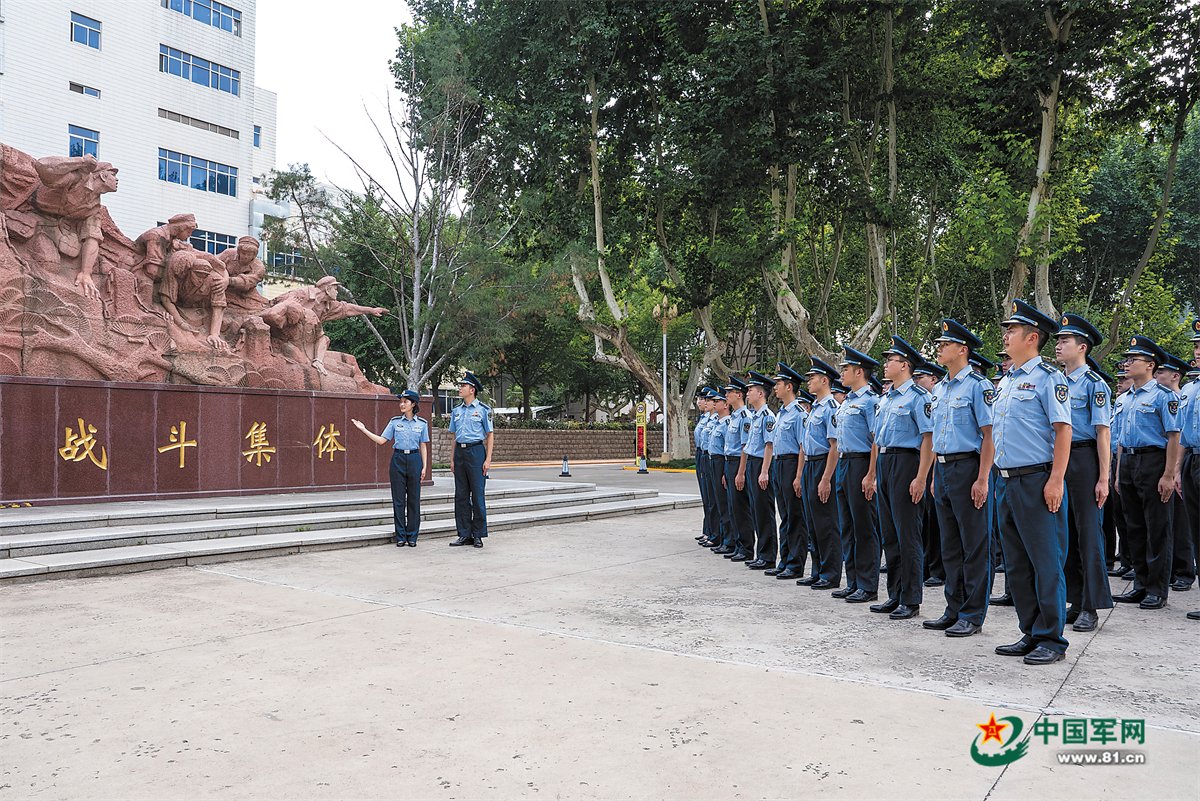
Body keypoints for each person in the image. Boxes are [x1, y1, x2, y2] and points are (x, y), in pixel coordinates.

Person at [991, 299, 1072, 665]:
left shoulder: (1049, 378)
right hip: (1006, 481)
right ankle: (1031, 630)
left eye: (1012, 330)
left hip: (1038, 480)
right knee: (1017, 562)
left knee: (1045, 560)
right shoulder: (1006, 381)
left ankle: (1052, 639)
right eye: (1006, 329)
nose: (1006, 335)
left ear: (1032, 337)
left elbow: (1063, 430)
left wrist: (1056, 480)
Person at [924, 319, 995, 638]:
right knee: (949, 544)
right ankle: (953, 608)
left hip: (969, 466)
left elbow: (989, 436)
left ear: (962, 350)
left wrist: (982, 479)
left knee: (974, 544)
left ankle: (972, 613)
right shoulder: (939, 389)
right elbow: (937, 435)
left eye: (944, 344)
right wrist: (935, 474)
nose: (939, 348)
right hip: (944, 467)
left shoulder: (979, 386)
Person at [864, 336, 934, 620]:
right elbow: (877, 441)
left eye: (890, 360)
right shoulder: (886, 399)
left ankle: (911, 598)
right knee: (890, 534)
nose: (885, 365)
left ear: (904, 365)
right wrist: (872, 473)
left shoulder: (919, 398)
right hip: (886, 462)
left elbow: (928, 439)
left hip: (908, 462)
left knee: (908, 534)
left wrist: (920, 477)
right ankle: (894, 594)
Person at [1053, 314, 1113, 633]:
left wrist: (1103, 478)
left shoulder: (1094, 385)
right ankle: (1075, 601)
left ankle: (1091, 605)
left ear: (1082, 347)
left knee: (1088, 533)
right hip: (1058, 461)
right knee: (1066, 534)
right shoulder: (1055, 382)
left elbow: (1103, 433)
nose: (1059, 345)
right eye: (1059, 340)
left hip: (1085, 458)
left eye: (1065, 341)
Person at [1113, 336, 1182, 609]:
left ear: (1150, 365)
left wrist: (1168, 475)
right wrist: (1119, 473)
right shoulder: (1125, 398)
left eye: (1134, 360)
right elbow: (1120, 440)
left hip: (1154, 462)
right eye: (1127, 359)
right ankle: (1140, 584)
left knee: (1157, 527)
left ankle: (1157, 589)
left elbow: (1174, 436)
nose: (1127, 364)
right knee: (1134, 527)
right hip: (1128, 462)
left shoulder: (1163, 396)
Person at [351, 389, 430, 546]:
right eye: (401, 401)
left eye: (405, 401)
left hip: (414, 459)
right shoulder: (395, 422)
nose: (402, 404)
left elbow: (423, 446)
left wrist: (424, 467)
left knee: (414, 500)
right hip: (398, 459)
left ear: (413, 404)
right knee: (398, 500)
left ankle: (412, 536)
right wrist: (363, 429)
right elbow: (381, 440)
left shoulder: (422, 424)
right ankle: (401, 536)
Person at [835, 347, 881, 603]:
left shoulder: (870, 402)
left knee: (864, 526)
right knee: (847, 526)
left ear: (859, 372)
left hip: (861, 463)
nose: (842, 373)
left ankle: (867, 584)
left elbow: (875, 440)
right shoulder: (848, 402)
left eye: (845, 369)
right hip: (844, 463)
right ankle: (852, 581)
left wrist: (871, 474)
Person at [797, 358, 843, 590]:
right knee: (813, 522)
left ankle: (830, 572)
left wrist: (826, 478)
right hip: (811, 465)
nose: (809, 382)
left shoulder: (831, 408)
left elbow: (834, 446)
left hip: (825, 464)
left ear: (824, 380)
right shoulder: (814, 408)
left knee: (826, 521)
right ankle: (817, 570)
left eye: (812, 378)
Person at [1155, 353, 1195, 592]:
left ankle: (1184, 570)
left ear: (1175, 375)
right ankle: (1174, 570)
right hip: (1183, 459)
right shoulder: (1188, 392)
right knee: (1176, 521)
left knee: (1182, 522)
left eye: (1161, 372)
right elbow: (1179, 436)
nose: (1157, 375)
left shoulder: (1179, 396)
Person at [766, 365, 808, 579]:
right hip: (779, 464)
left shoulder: (799, 413)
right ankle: (785, 559)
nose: (775, 388)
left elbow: (802, 446)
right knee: (784, 515)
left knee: (795, 516)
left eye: (778, 384)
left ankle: (795, 563)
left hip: (792, 464)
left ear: (789, 386)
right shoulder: (781, 413)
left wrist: (799, 475)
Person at [448, 371, 494, 548]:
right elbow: (454, 437)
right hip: (460, 453)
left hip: (476, 452)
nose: (460, 388)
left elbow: (490, 435)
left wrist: (488, 459)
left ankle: (478, 534)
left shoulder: (483, 410)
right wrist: (452, 459)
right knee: (460, 496)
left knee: (477, 495)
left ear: (472, 389)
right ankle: (464, 533)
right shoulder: (456, 411)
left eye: (463, 386)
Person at [914, 360, 947, 588]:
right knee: (925, 521)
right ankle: (928, 565)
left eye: (921, 378)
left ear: (933, 379)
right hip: (928, 465)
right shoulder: (935, 398)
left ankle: (937, 568)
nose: (917, 382)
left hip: (935, 464)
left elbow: (931, 438)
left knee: (935, 523)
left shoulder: (928, 398)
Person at [743, 371, 779, 571]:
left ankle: (768, 555)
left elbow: (769, 445)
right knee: (756, 510)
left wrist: (764, 471)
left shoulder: (767, 417)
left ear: (761, 394)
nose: (748, 393)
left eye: (751, 390)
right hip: (752, 463)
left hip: (761, 464)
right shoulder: (756, 416)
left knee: (764, 511)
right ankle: (761, 553)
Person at [722, 377, 755, 563]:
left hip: (738, 462)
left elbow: (744, 447)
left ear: (739, 395)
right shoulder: (734, 417)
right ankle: (737, 544)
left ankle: (747, 547)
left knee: (741, 508)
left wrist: (741, 472)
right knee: (733, 507)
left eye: (729, 392)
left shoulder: (745, 418)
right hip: (729, 462)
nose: (726, 395)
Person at [1181, 318, 1200, 620]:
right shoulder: (1190, 387)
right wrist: (1174, 471)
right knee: (1197, 531)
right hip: (1192, 460)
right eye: (1196, 346)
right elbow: (1181, 433)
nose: (1197, 350)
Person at [706, 392, 733, 554]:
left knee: (724, 503)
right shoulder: (717, 422)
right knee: (717, 502)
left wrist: (724, 471)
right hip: (713, 460)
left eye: (718, 401)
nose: (714, 403)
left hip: (722, 461)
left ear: (726, 405)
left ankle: (728, 539)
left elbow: (727, 448)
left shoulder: (728, 422)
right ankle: (723, 537)